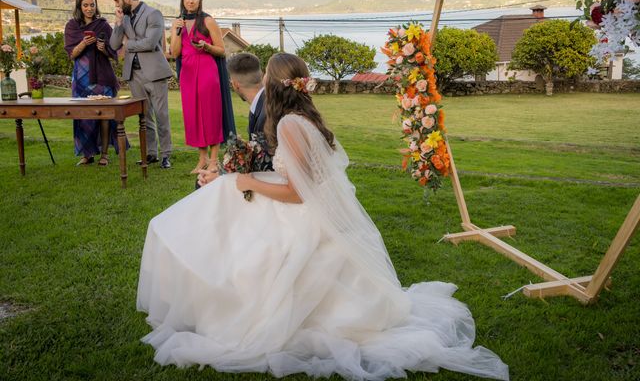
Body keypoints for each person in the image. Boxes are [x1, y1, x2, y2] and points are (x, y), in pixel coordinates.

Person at [137, 53, 509, 381]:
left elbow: (297, 193)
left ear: (274, 82)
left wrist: (248, 180)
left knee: (243, 239)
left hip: (303, 214)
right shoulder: (303, 117)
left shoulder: (289, 125)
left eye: (267, 75)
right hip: (307, 204)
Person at [109, 0, 173, 169]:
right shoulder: (125, 18)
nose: (116, 5)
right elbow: (114, 45)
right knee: (144, 117)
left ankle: (166, 155)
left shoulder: (154, 14)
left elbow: (150, 43)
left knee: (161, 115)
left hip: (154, 73)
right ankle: (151, 153)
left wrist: (129, 44)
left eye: (117, 1)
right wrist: (119, 24)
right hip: (133, 73)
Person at [170, 0, 226, 174]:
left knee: (210, 113)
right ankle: (201, 159)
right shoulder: (176, 23)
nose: (191, 0)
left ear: (200, 1)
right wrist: (177, 32)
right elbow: (175, 52)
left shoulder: (208, 21)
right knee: (193, 116)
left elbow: (222, 50)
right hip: (187, 72)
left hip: (207, 71)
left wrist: (207, 47)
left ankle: (213, 159)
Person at [64, 0, 122, 166]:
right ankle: (87, 154)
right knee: (83, 115)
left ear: (96, 5)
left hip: (102, 77)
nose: (89, 8)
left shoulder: (103, 25)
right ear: (79, 7)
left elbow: (114, 51)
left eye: (92, 4)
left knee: (104, 115)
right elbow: (72, 54)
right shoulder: (72, 26)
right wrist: (83, 43)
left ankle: (104, 154)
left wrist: (103, 48)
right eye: (85, 5)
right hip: (81, 78)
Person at [197, 52, 270, 188]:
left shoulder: (266, 113)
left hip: (267, 183)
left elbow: (266, 167)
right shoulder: (263, 103)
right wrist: (223, 171)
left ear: (235, 84)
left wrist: (222, 177)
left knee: (203, 185)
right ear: (261, 75)